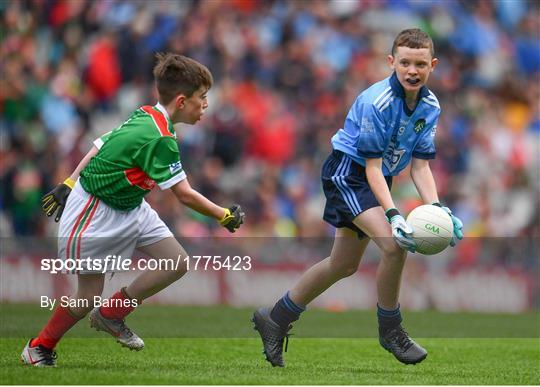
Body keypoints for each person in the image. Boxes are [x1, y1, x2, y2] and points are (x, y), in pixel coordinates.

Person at [252, 28, 463, 367]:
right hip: (348, 174)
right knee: (395, 246)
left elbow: (420, 167)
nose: (412, 70)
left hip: (376, 179)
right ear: (391, 62)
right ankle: (390, 330)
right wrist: (394, 214)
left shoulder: (430, 105)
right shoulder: (376, 102)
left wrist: (438, 208)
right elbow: (373, 168)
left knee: (344, 265)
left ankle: (274, 319)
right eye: (405, 62)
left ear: (433, 66)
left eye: (420, 64)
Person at [21, 53, 245, 367]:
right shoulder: (160, 137)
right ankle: (38, 347)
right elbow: (184, 194)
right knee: (87, 296)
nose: (206, 105)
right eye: (202, 98)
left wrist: (70, 179)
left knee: (176, 261)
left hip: (130, 206)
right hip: (96, 209)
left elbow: (102, 143)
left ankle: (112, 313)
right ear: (182, 101)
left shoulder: (148, 114)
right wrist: (223, 214)